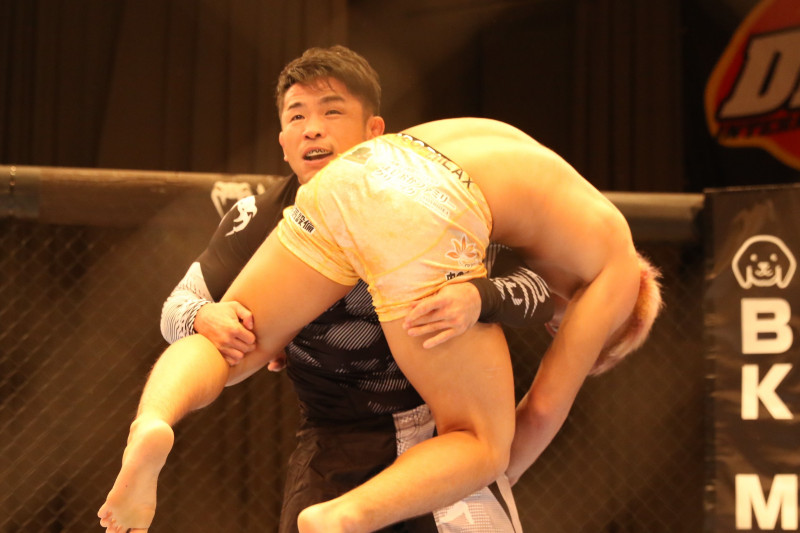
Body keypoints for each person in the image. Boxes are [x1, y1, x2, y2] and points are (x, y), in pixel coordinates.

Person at [98, 116, 662, 533]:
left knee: (232, 342)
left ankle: (153, 422)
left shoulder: (545, 175)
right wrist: (470, 475)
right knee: (485, 442)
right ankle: (343, 518)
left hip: (361, 172)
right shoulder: (619, 267)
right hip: (435, 201)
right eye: (566, 330)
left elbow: (504, 275)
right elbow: (540, 412)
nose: (555, 327)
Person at [159, 46, 552, 532]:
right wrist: (203, 316)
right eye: (296, 116)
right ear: (283, 142)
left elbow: (541, 288)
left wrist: (481, 298)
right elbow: (175, 307)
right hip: (334, 443)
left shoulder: (438, 197)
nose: (312, 128)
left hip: (445, 437)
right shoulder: (257, 218)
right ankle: (151, 427)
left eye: (332, 112)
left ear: (374, 132)